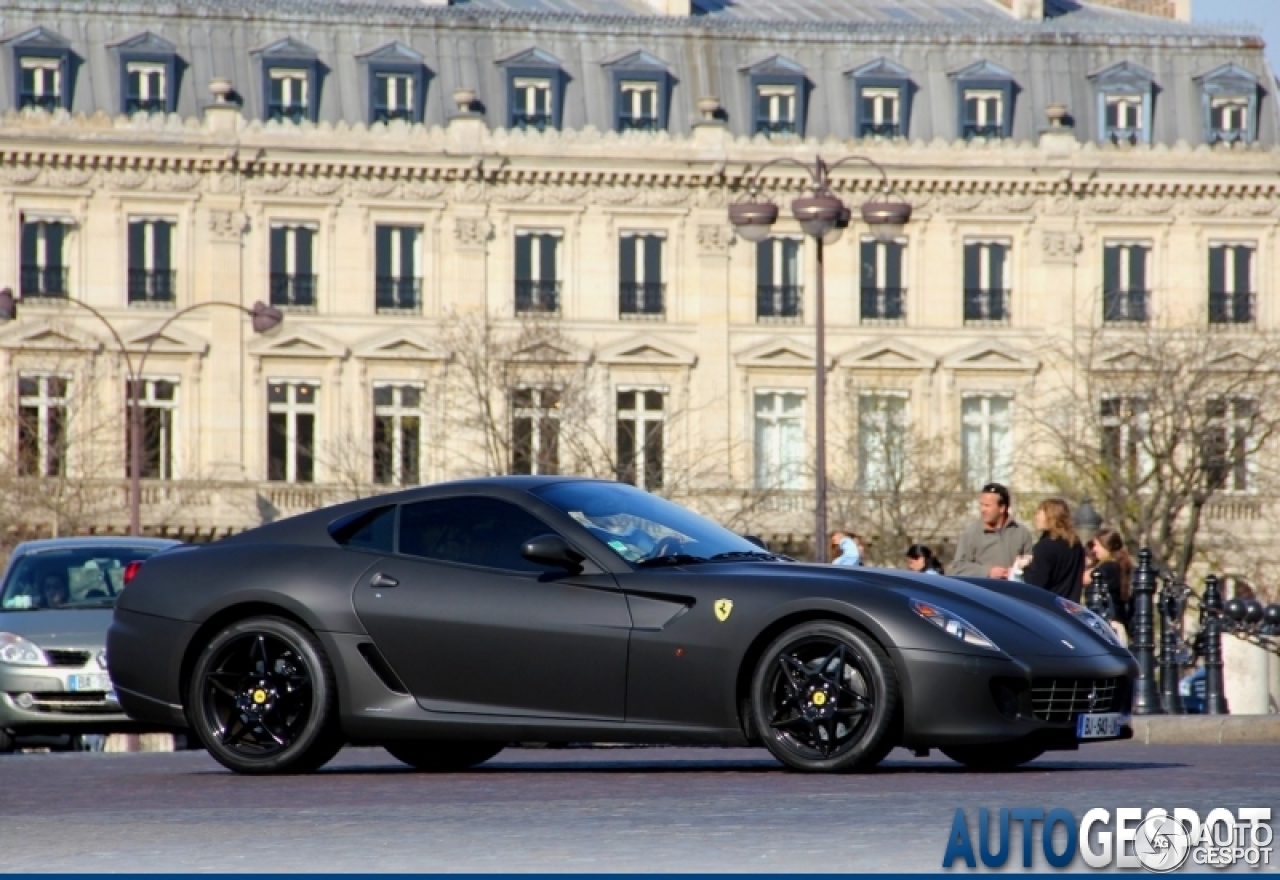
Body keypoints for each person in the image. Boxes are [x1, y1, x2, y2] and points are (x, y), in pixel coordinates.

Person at [950, 483, 1034, 578]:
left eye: (987, 505)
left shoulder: (1021, 533)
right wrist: (988, 572)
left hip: (1011, 591)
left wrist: (1017, 570)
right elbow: (958, 567)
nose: (982, 509)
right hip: (983, 591)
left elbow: (1033, 567)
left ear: (1002, 508)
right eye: (981, 505)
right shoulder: (971, 533)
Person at [1019, 497, 1086, 601]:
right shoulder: (1075, 545)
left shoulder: (1045, 547)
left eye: (1039, 514)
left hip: (1049, 608)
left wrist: (1025, 568)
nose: (1036, 517)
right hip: (1070, 607)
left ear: (1051, 517)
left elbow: (1035, 585)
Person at [1088, 527, 1133, 638]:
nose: (1094, 550)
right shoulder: (1117, 565)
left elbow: (1085, 578)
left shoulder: (1107, 567)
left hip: (1108, 626)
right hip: (1118, 623)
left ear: (1106, 546)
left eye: (1096, 545)